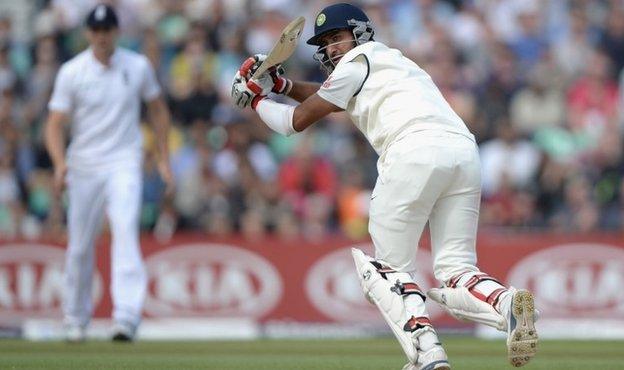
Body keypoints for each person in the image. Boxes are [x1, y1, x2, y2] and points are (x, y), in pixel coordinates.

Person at [231, 3, 537, 369]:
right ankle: (506, 304)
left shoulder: (355, 62)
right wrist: (281, 84)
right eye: (325, 43)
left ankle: (428, 354)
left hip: (413, 151)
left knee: (383, 271)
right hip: (464, 153)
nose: (331, 48)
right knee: (457, 271)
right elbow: (334, 102)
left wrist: (257, 97)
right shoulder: (394, 60)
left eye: (336, 38)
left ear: (358, 33)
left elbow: (292, 122)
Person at [45, 4, 174, 342]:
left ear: (117, 31)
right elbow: (54, 125)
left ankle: (127, 316)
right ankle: (75, 318)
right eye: (96, 31)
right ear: (88, 33)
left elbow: (158, 110)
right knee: (79, 244)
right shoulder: (72, 72)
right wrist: (59, 164)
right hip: (83, 165)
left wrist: (162, 157)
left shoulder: (137, 66)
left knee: (125, 232)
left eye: (107, 30)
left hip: (124, 161)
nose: (102, 37)